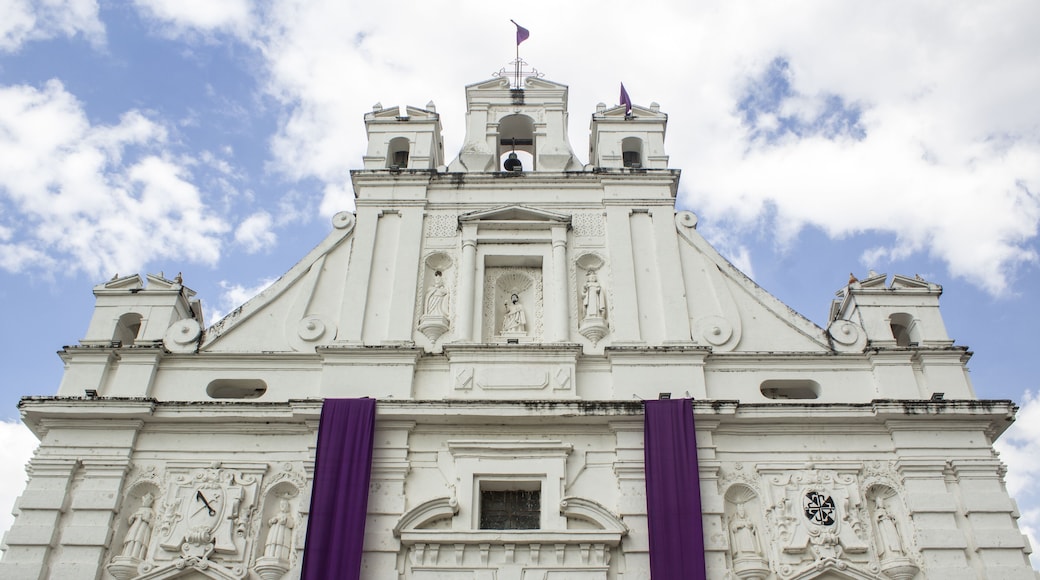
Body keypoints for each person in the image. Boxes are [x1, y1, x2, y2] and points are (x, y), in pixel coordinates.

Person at [121, 493, 155, 560]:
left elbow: (153, 523)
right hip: (135, 527)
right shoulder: (139, 510)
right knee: (131, 539)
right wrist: (133, 517)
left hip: (144, 528)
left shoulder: (151, 512)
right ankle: (127, 555)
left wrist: (146, 519)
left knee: (139, 540)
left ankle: (138, 556)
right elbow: (130, 521)